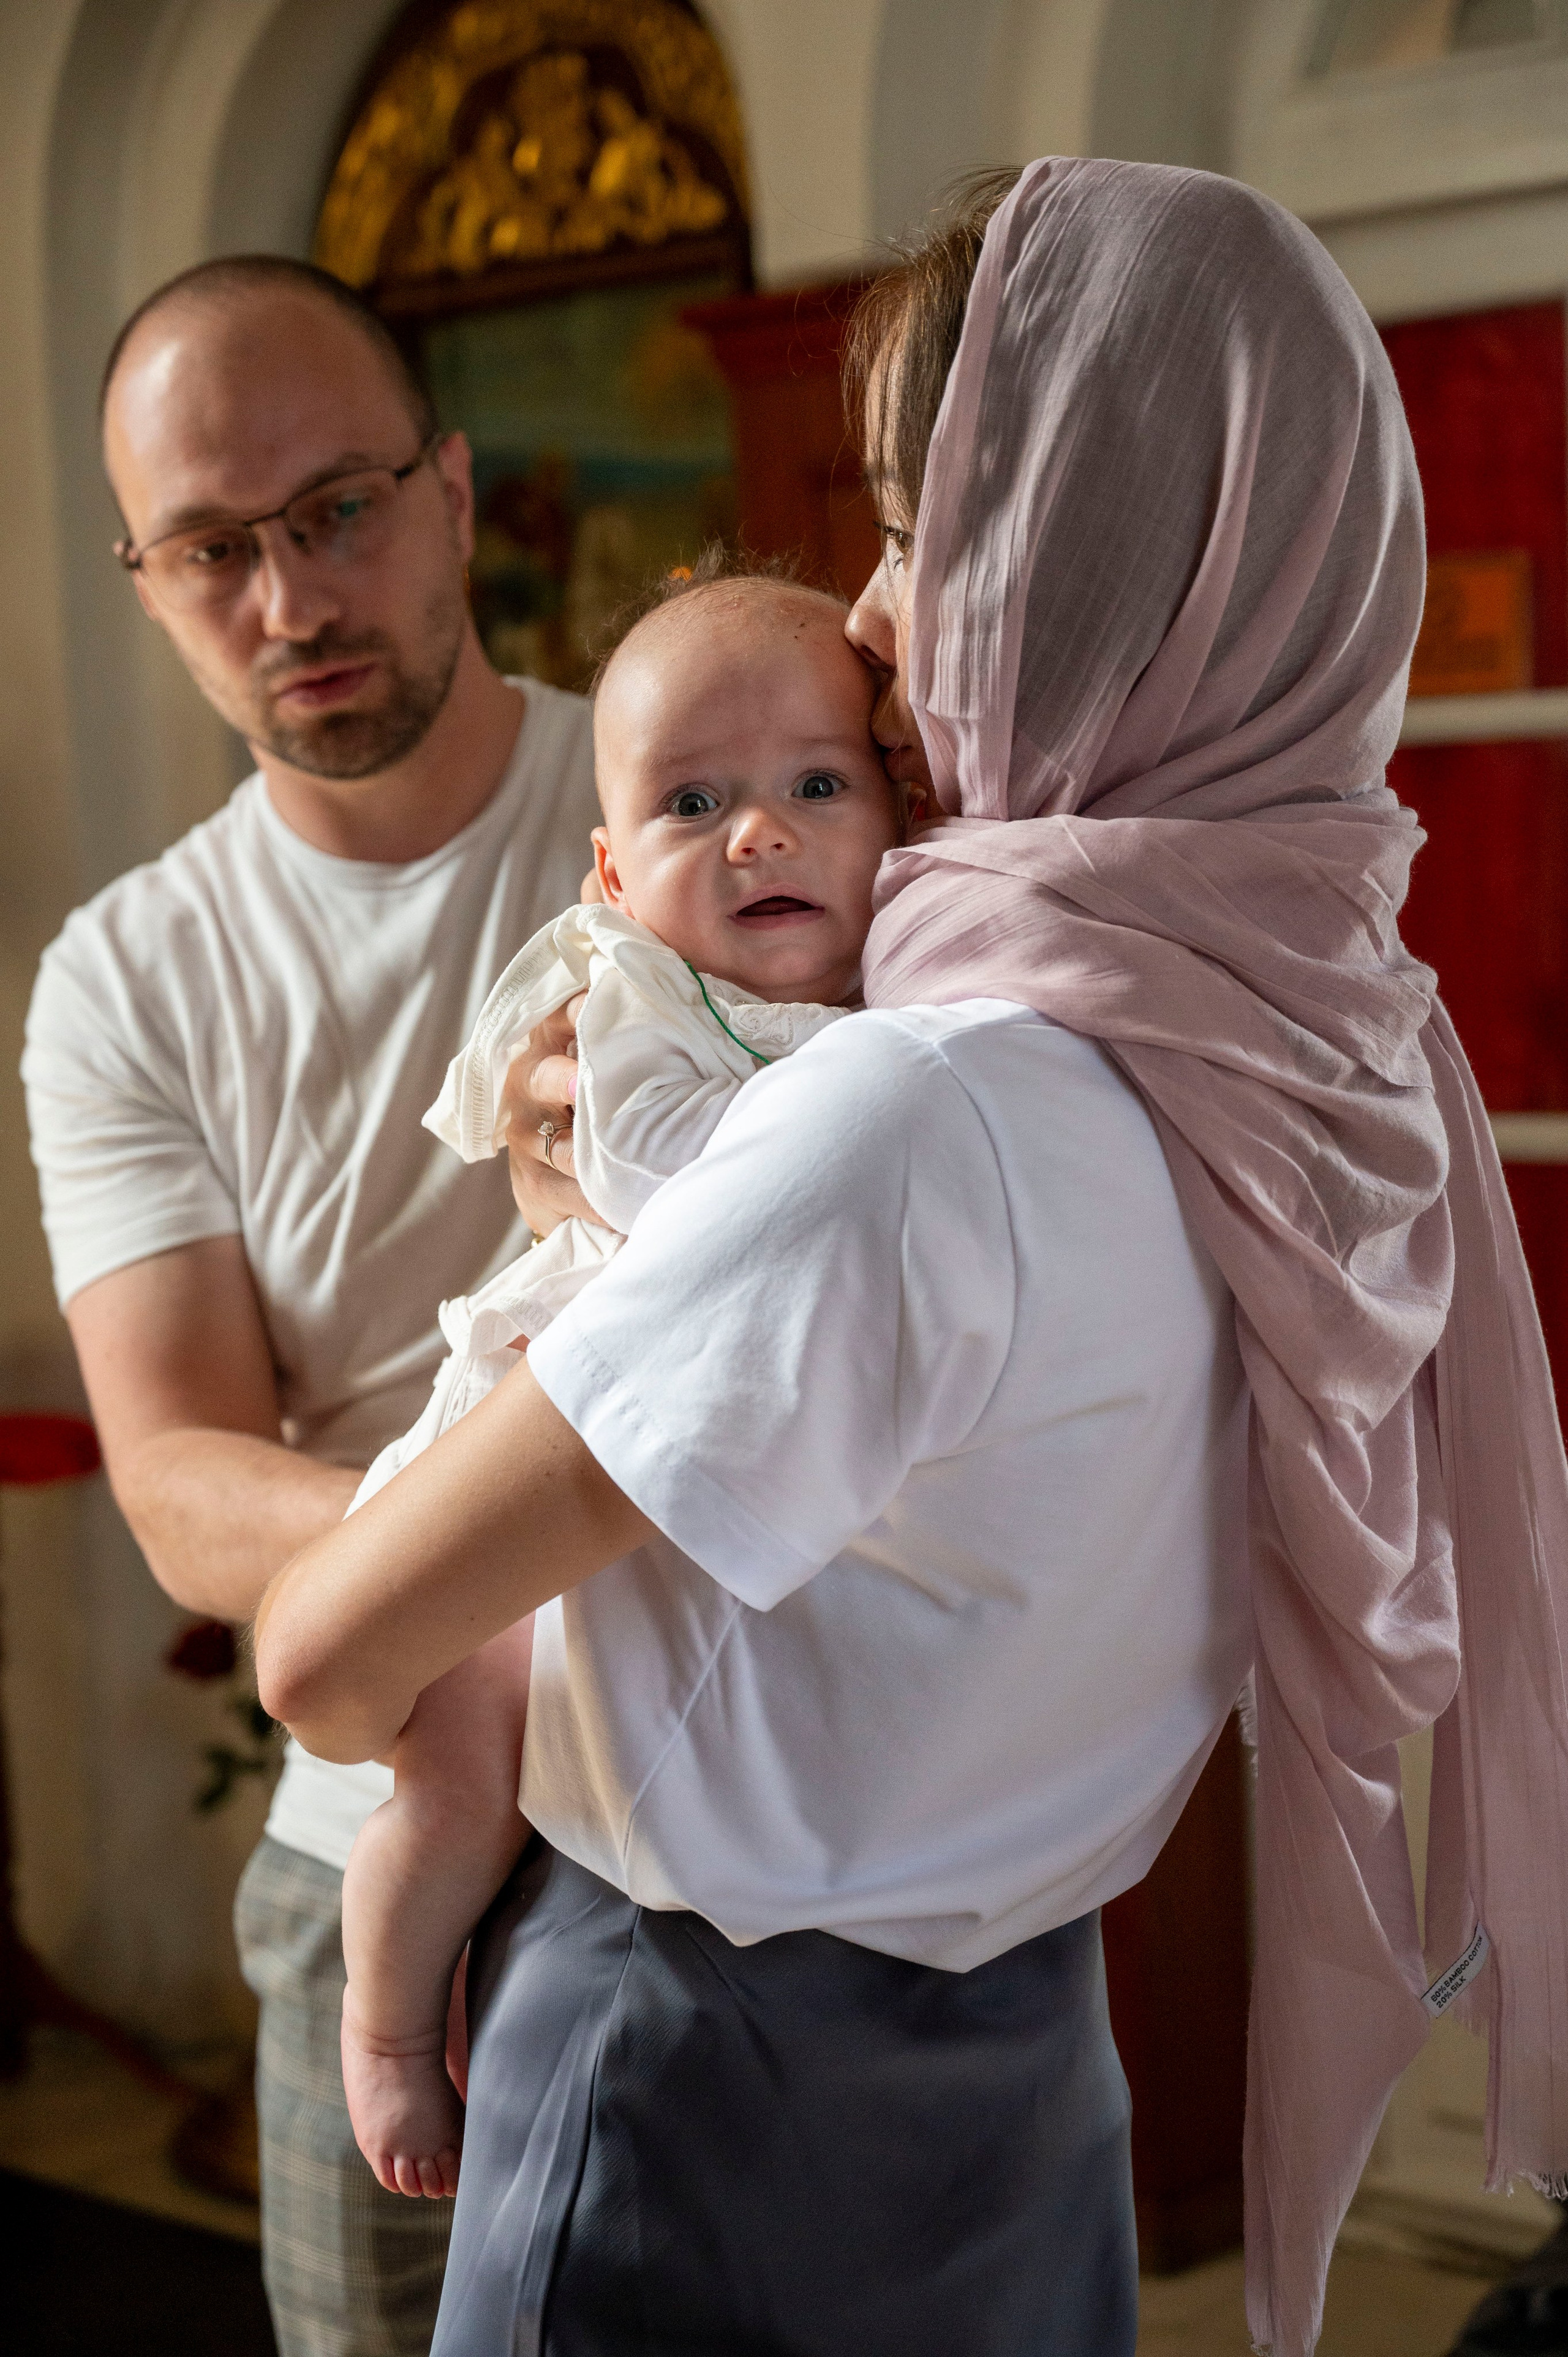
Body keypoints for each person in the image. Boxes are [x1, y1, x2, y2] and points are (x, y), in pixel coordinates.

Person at [255, 158, 1568, 2357]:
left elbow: (322, 1659)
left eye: (915, 525)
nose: (866, 614)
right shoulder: (1325, 1055)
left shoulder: (911, 1117)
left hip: (688, 2088)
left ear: (1087, 561)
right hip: (1031, 2075)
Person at [23, 254, 599, 2357]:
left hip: (754, 1817)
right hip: (368, 1841)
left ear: (454, 493)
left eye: (338, 509)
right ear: (147, 577)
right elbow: (181, 1486)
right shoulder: (125, 978)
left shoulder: (691, 802)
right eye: (211, 549)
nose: (289, 600)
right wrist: (580, 1495)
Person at [337, 565, 905, 2199]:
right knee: (459, 1785)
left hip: (665, 1490)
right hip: (517, 1441)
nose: (760, 835)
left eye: (815, 785)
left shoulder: (897, 993)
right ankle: (383, 2031)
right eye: (691, 803)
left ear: (895, 810)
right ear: (609, 869)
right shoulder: (636, 992)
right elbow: (658, 1179)